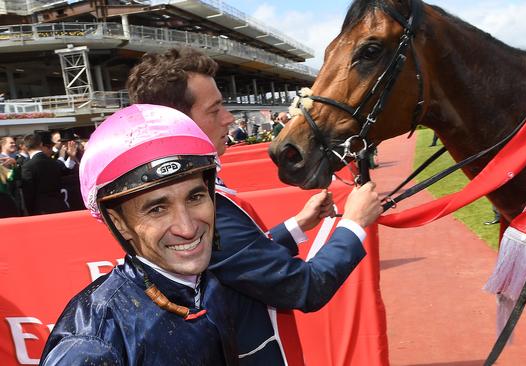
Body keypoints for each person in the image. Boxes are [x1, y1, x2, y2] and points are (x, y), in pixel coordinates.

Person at [127, 47, 383, 364]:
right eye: (215, 109)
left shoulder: (185, 192)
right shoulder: (195, 206)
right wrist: (355, 223)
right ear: (179, 123)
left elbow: (238, 258)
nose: (229, 118)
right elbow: (304, 287)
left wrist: (298, 225)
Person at [40, 104, 241, 365]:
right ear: (119, 222)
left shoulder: (206, 284)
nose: (187, 228)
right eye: (157, 209)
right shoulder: (92, 343)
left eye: (195, 196)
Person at [20, 133, 68, 215]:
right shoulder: (54, 162)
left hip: (41, 210)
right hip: (59, 206)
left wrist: (30, 212)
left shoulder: (27, 166)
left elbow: (28, 193)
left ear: (26, 147)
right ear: (41, 144)